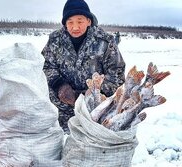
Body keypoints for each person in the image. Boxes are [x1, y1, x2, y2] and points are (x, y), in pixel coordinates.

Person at [42, 0, 126, 133]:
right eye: (70, 22)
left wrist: (93, 95)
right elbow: (47, 67)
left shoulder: (105, 42)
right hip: (61, 107)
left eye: (80, 21)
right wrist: (60, 86)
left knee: (95, 143)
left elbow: (117, 76)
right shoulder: (55, 40)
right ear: (64, 23)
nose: (75, 27)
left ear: (89, 21)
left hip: (96, 109)